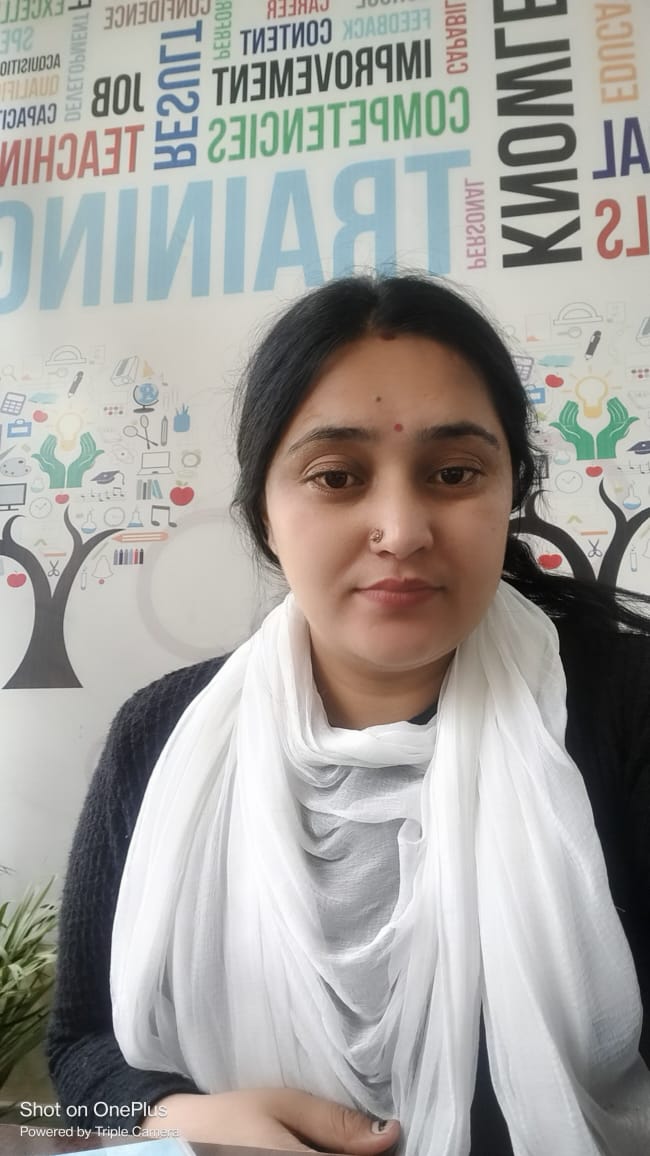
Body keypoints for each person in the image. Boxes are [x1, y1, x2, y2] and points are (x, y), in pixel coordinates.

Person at [47, 274, 650, 1156]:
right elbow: (80, 1053)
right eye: (335, 476)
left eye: (454, 473)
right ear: (263, 511)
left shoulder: (625, 707)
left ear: (511, 493)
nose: (401, 530)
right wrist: (174, 1118)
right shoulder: (160, 734)